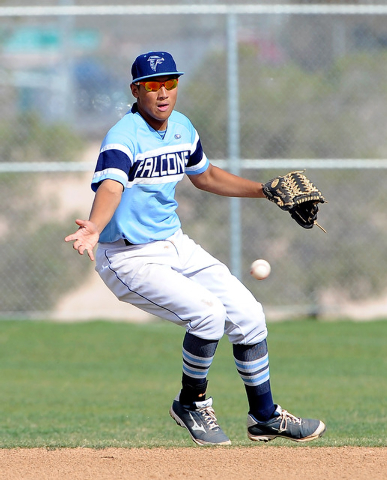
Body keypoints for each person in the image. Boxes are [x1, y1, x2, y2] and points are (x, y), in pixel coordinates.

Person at [65, 51, 326, 446]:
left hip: (174, 243)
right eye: (153, 85)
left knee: (250, 316)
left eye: (170, 82)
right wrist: (95, 227)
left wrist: (266, 191)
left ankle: (265, 416)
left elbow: (205, 177)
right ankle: (191, 403)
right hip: (127, 256)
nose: (164, 91)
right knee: (208, 316)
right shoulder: (124, 136)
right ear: (136, 90)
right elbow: (112, 185)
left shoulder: (182, 127)